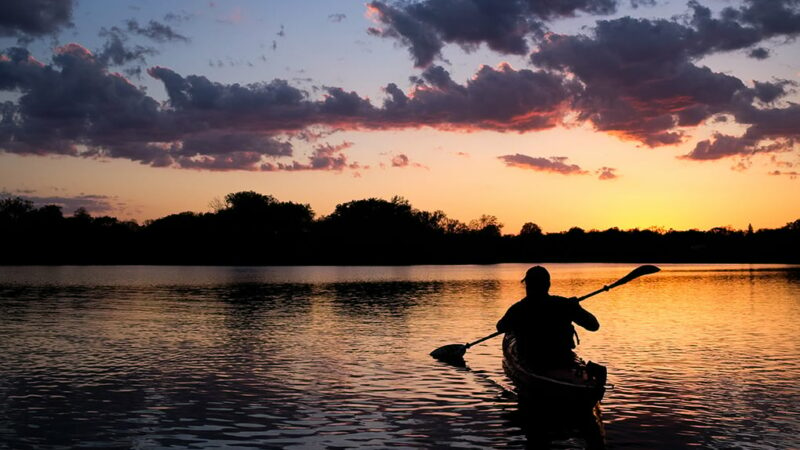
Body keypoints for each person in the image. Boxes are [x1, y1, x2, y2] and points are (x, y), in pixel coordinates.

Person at [497, 266, 599, 367]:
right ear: (548, 284)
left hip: (532, 358)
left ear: (528, 285)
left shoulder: (519, 308)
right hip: (562, 357)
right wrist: (576, 308)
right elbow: (594, 326)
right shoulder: (564, 305)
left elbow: (501, 327)